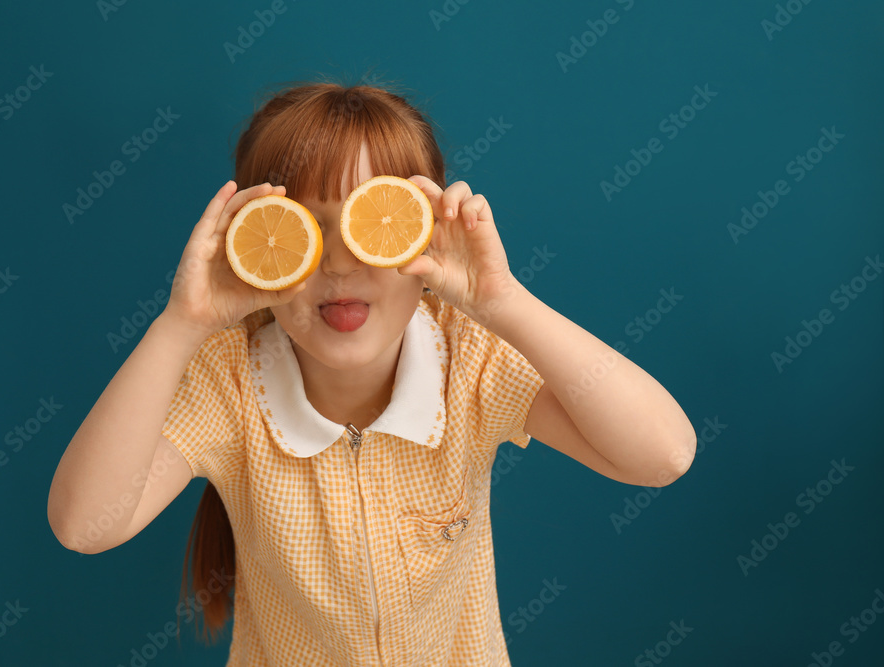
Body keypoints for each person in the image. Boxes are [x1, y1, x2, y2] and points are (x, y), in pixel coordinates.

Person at [47, 79, 697, 666]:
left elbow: (663, 453)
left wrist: (503, 302)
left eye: (374, 225)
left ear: (428, 237)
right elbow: (84, 525)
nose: (339, 263)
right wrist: (180, 324)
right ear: (255, 246)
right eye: (305, 227)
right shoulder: (230, 382)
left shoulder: (467, 359)